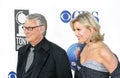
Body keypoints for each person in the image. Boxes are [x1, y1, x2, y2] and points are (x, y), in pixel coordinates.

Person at [16, 13, 72, 78]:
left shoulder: (58, 53)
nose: (25, 32)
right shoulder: (22, 51)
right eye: (24, 28)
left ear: (42, 29)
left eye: (30, 28)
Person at [70, 12, 120, 78]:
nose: (76, 33)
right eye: (74, 30)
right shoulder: (84, 46)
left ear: (91, 29)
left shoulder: (103, 52)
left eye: (79, 29)